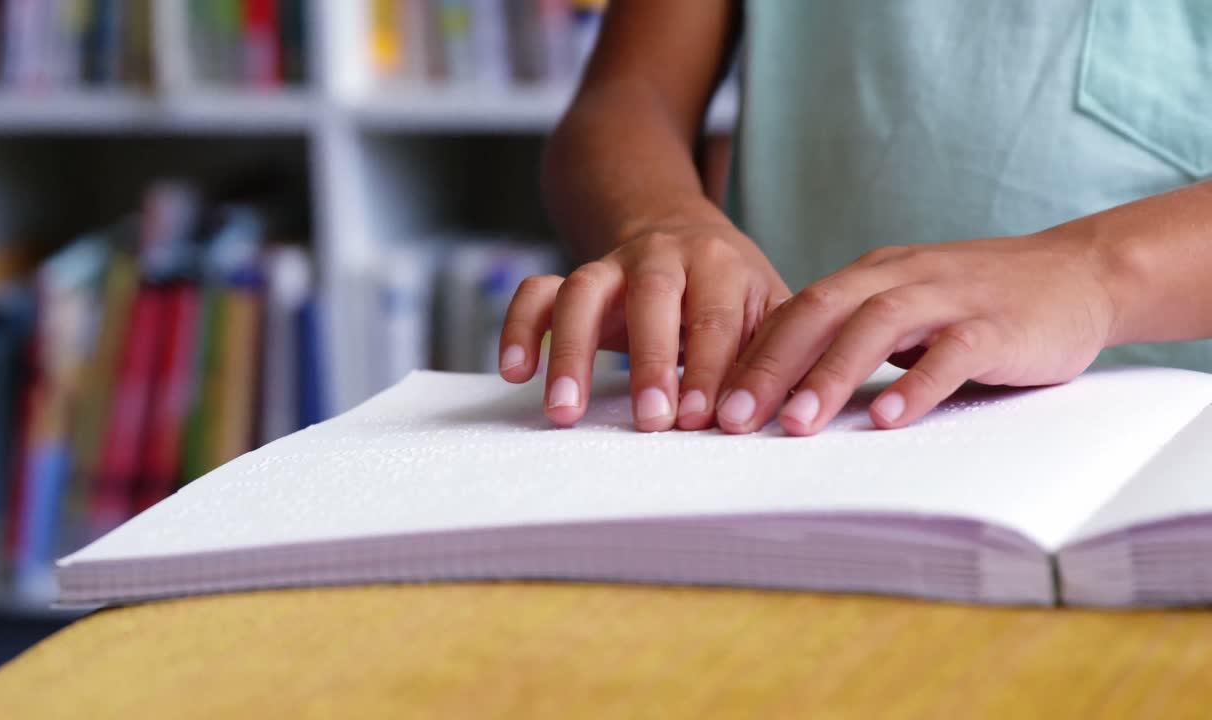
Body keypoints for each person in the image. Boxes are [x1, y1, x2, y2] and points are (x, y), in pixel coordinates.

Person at [496, 0, 1212, 435]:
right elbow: (625, 96)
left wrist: (1096, 275)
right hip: (788, 431)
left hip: (1162, 442)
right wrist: (659, 220)